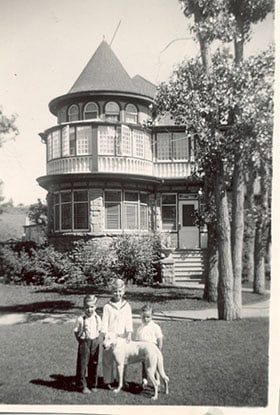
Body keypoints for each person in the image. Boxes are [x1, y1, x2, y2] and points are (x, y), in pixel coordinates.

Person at [101, 278, 133, 389]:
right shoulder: (107, 307)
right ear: (111, 292)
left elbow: (129, 320)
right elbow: (104, 322)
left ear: (123, 291)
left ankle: (122, 380)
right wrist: (105, 335)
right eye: (115, 291)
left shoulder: (126, 306)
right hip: (110, 337)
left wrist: (129, 332)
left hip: (122, 337)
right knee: (107, 359)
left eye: (119, 291)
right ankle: (108, 380)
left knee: (123, 360)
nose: (117, 293)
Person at [74, 294, 101, 394]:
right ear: (84, 307)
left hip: (95, 342)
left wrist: (96, 340)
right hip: (84, 342)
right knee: (82, 364)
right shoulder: (81, 319)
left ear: (95, 307)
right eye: (87, 307)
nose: (89, 309)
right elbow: (76, 331)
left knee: (94, 363)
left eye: (92, 307)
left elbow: (99, 330)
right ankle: (81, 385)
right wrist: (80, 340)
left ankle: (93, 384)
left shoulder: (98, 318)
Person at [135, 304, 163, 387]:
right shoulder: (140, 328)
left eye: (148, 317)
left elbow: (159, 338)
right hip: (143, 352)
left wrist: (159, 350)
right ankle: (144, 380)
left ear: (152, 316)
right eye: (143, 317)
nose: (145, 319)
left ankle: (157, 380)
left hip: (153, 350)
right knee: (145, 366)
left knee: (155, 367)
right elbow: (137, 341)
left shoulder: (155, 327)